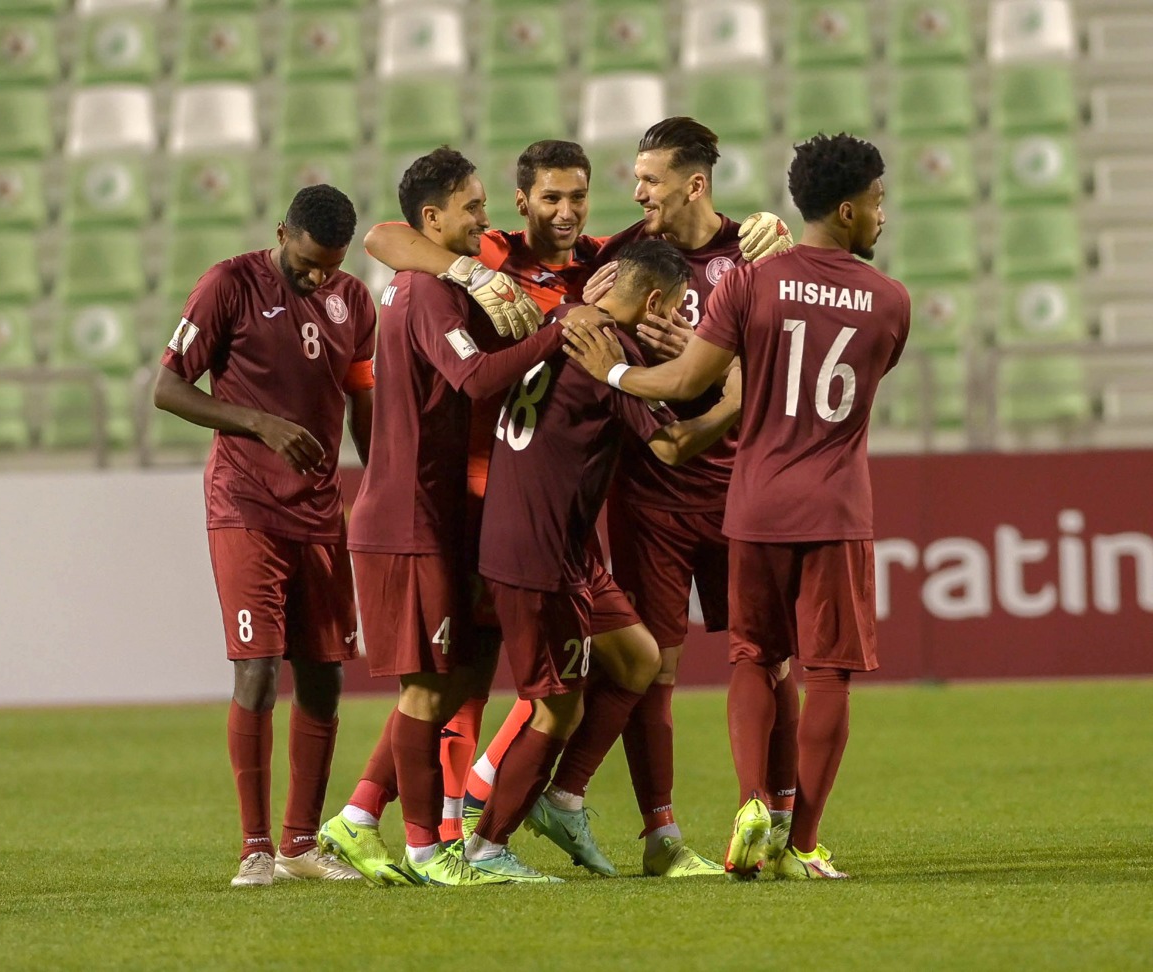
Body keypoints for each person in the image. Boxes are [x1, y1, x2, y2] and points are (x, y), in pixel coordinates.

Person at [563, 132, 910, 880]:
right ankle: (802, 839)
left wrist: (614, 367)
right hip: (835, 504)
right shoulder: (890, 301)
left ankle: (754, 801)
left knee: (750, 657)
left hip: (752, 498)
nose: (883, 214)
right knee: (823, 675)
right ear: (847, 210)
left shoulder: (754, 282)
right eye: (878, 201)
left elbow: (687, 374)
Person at [316, 147, 606, 887]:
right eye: (473, 208)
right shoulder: (427, 291)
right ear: (436, 218)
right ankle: (427, 847)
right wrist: (556, 333)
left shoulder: (444, 282)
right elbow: (474, 379)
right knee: (428, 688)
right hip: (412, 517)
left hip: (446, 512)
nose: (485, 221)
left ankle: (367, 823)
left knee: (452, 679)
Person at [463, 239, 743, 881]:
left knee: (639, 657)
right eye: (672, 309)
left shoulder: (562, 319)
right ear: (652, 301)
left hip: (559, 547)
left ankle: (562, 800)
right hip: (540, 556)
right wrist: (733, 400)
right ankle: (486, 847)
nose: (673, 321)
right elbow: (671, 448)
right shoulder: (612, 351)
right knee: (557, 705)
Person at [152, 185, 375, 887]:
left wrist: (382, 486)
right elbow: (167, 388)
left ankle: (300, 845)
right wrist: (259, 422)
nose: (318, 278)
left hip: (318, 512)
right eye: (308, 263)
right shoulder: (228, 284)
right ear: (282, 232)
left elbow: (362, 400)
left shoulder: (355, 302)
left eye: (330, 267)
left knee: (326, 676)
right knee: (258, 667)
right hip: (245, 502)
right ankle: (255, 848)